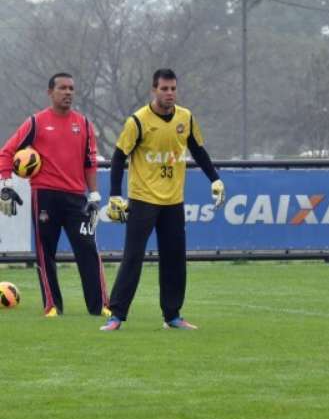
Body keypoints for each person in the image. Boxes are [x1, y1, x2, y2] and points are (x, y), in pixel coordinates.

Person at [100, 68, 225, 331]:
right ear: (153, 90)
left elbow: (198, 150)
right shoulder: (138, 121)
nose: (169, 93)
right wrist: (114, 196)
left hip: (173, 202)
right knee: (133, 257)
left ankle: (172, 316)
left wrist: (215, 178)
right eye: (164, 89)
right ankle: (117, 316)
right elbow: (119, 157)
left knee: (174, 258)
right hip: (143, 199)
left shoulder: (185, 117)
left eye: (173, 89)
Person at [0, 73, 109, 317]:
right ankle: (51, 305)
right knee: (45, 251)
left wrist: (94, 196)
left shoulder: (84, 124)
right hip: (45, 196)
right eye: (62, 88)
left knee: (88, 250)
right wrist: (6, 185)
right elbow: (6, 152)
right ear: (50, 92)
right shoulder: (36, 123)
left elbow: (90, 162)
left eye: (71, 88)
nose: (68, 92)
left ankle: (100, 305)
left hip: (77, 198)